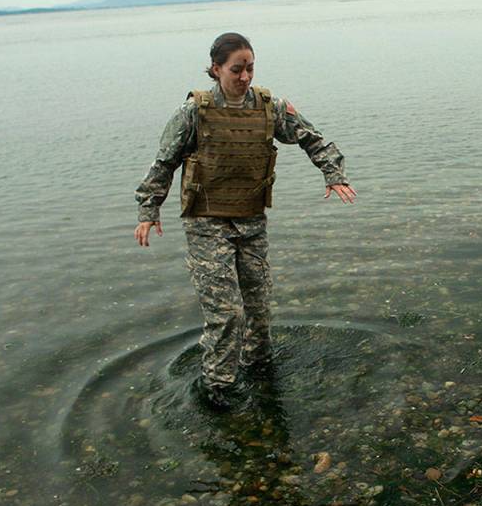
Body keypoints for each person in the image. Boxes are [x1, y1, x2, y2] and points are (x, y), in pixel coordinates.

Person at [135, 32, 356, 409]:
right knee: (226, 313)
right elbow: (164, 163)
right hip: (206, 223)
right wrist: (148, 210)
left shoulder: (270, 107)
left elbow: (313, 138)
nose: (245, 76)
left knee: (258, 305)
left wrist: (333, 174)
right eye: (236, 69)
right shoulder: (194, 112)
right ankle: (218, 386)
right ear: (216, 69)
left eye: (250, 68)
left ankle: (258, 366)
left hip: (251, 221)